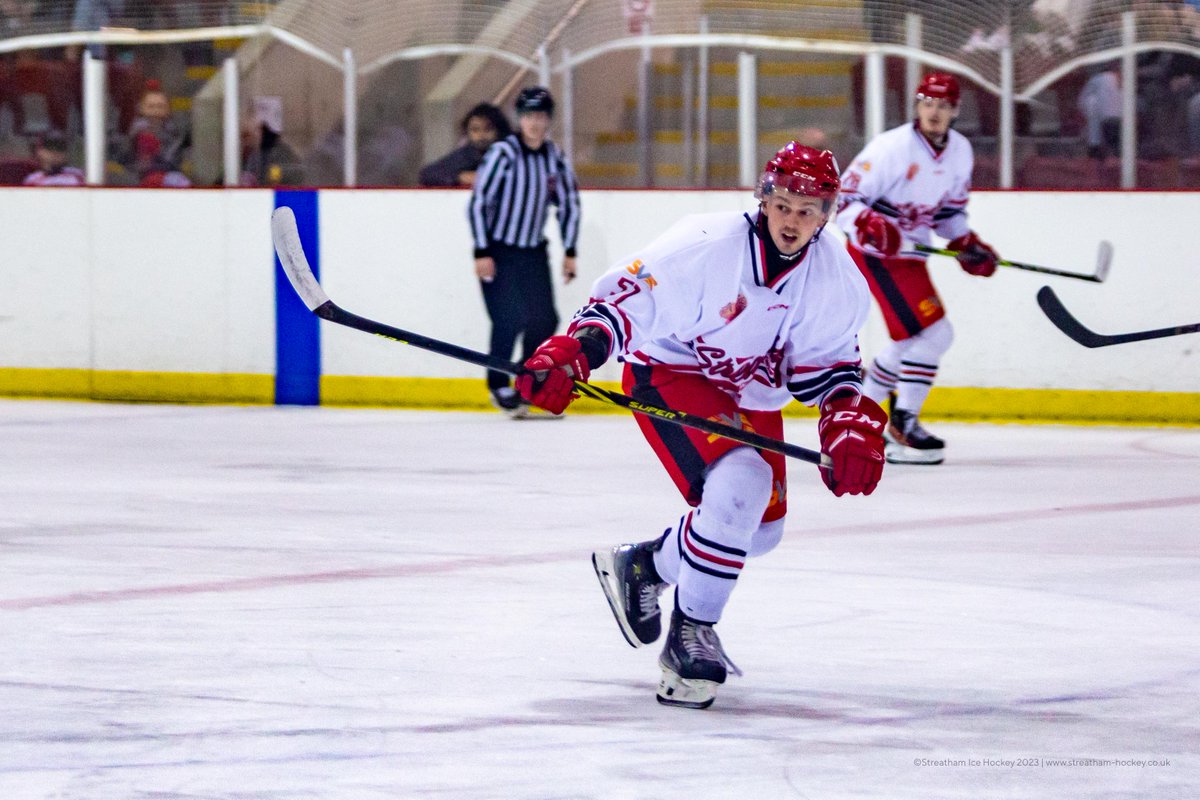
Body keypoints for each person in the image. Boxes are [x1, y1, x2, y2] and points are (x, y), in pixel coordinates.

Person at [515, 142, 887, 709]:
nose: (793, 219)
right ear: (764, 198)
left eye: (808, 209)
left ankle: (645, 565)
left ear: (827, 214)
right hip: (671, 369)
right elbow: (621, 306)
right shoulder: (705, 246)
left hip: (748, 389)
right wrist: (575, 353)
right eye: (784, 203)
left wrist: (843, 421)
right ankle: (691, 634)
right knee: (741, 482)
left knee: (758, 531)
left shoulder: (836, 276)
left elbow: (829, 367)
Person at [836, 72, 999, 466]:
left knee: (919, 338)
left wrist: (966, 243)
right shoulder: (891, 147)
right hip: (875, 256)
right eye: (928, 102)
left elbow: (949, 214)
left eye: (944, 105)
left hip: (911, 257)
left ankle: (861, 420)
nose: (935, 111)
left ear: (955, 111)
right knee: (933, 333)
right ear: (917, 105)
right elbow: (843, 200)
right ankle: (898, 423)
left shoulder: (960, 151)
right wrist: (871, 226)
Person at [468, 87, 581, 417]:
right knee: (508, 319)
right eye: (529, 116)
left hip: (533, 251)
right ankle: (497, 384)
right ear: (520, 118)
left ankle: (522, 377)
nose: (535, 123)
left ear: (549, 120)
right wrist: (481, 250)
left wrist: (570, 249)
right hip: (499, 250)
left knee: (546, 319)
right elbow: (479, 203)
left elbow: (569, 204)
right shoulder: (503, 153)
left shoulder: (554, 157)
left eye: (541, 116)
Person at [116, 82, 191, 187]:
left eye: (160, 106)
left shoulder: (177, 133)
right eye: (151, 107)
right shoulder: (134, 135)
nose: (155, 111)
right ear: (141, 108)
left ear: (168, 109)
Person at [419, 103, 511, 187]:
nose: (481, 135)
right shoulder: (467, 154)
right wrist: (460, 177)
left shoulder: (510, 152)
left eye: (488, 129)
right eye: (475, 130)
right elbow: (427, 174)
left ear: (499, 131)